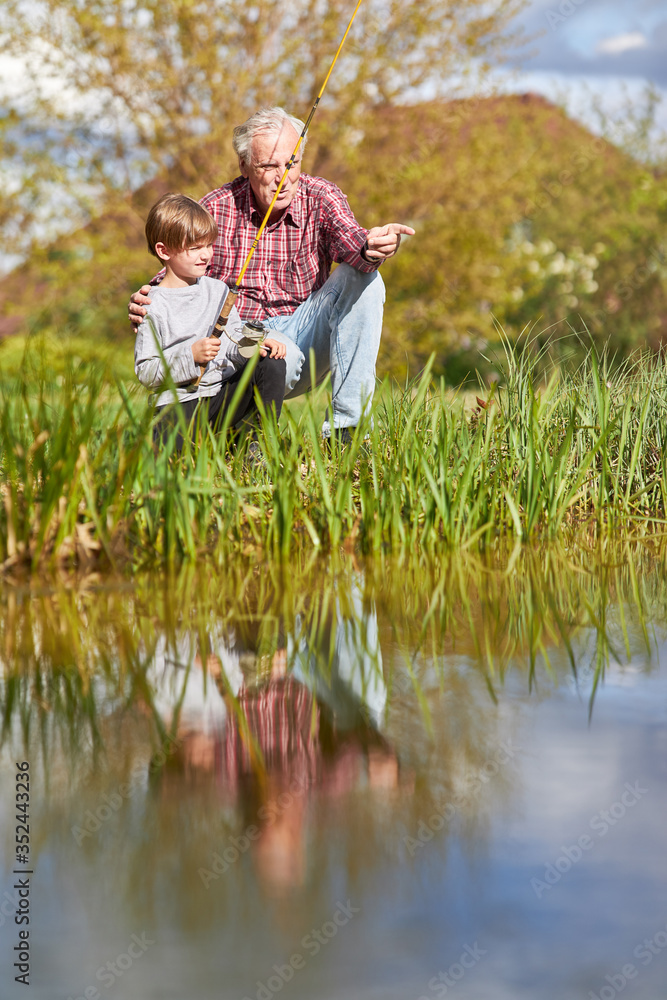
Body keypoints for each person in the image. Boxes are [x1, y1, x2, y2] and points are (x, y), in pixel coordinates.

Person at [129, 107, 415, 441]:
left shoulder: (321, 195)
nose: (283, 176)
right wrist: (147, 297)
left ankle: (347, 432)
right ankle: (248, 441)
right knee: (268, 353)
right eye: (268, 166)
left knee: (364, 278)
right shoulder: (218, 205)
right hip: (246, 341)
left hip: (308, 333)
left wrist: (371, 247)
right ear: (245, 165)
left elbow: (353, 241)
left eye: (291, 163)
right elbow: (177, 261)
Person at [134, 192, 286, 450]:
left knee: (269, 364)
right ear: (164, 250)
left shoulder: (218, 291)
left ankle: (258, 442)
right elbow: (146, 372)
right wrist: (190, 355)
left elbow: (232, 344)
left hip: (220, 396)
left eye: (209, 245)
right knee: (168, 470)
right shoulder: (152, 305)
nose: (205, 255)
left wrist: (254, 345)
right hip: (176, 405)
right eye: (195, 248)